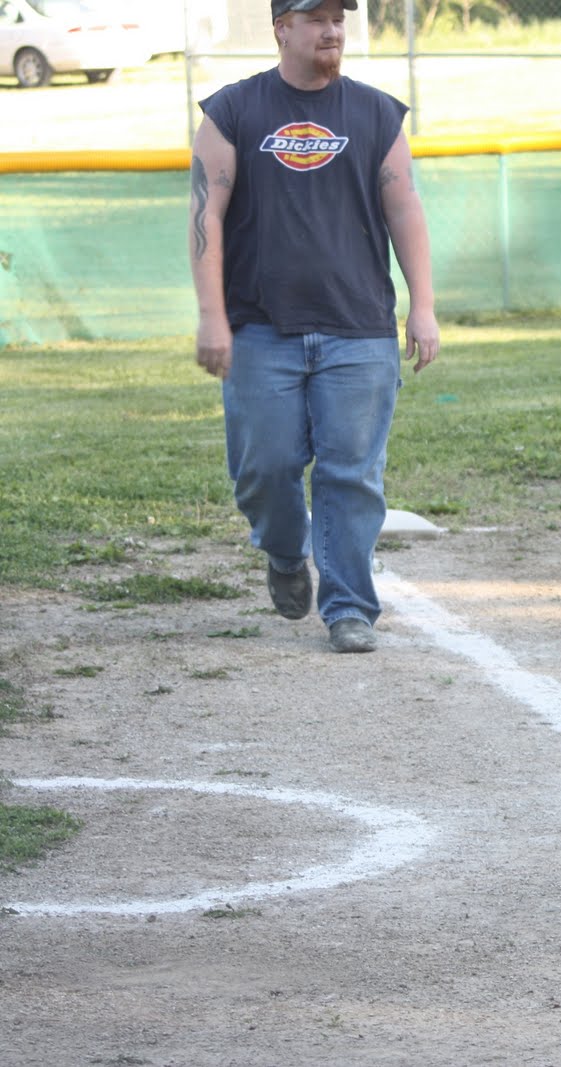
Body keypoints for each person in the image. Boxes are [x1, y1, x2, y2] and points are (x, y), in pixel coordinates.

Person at [187, 0, 439, 654]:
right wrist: (212, 315)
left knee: (351, 474)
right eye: (316, 18)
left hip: (359, 327)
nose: (332, 30)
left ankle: (350, 607)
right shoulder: (232, 111)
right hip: (259, 327)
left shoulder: (376, 113)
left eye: (338, 18)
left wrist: (423, 304)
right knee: (265, 468)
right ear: (282, 29)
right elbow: (206, 214)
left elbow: (404, 207)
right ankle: (283, 549)